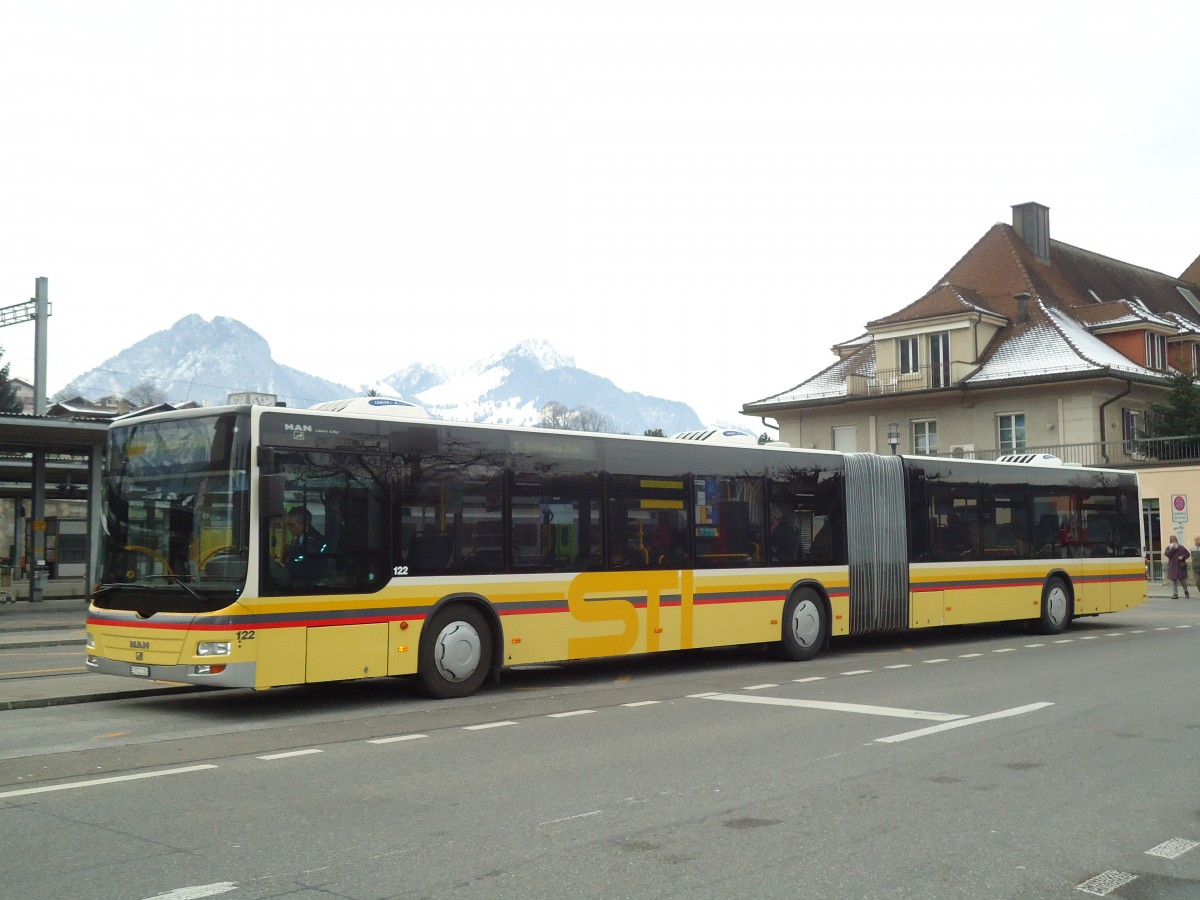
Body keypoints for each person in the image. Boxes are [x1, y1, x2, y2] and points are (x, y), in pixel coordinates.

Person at [283, 506, 327, 582]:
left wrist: (290, 556)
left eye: (292, 525)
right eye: (287, 525)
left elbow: (307, 565)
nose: (289, 528)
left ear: (305, 524)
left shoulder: (314, 542)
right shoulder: (298, 538)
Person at [1164, 534, 1190, 599]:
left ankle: (1186, 591)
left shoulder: (1181, 547)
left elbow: (1187, 554)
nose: (1173, 543)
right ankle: (1175, 594)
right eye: (1172, 541)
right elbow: (1167, 554)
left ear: (1177, 541)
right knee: (1174, 581)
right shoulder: (1169, 548)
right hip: (1172, 567)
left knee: (1183, 581)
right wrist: (1172, 549)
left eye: (1174, 541)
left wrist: (1183, 557)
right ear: (1170, 542)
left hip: (1180, 567)